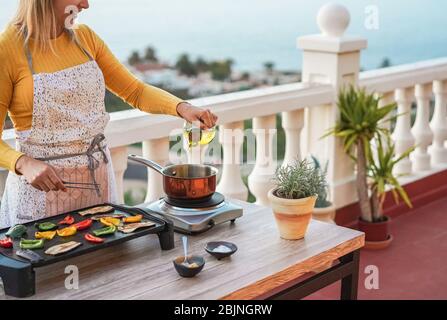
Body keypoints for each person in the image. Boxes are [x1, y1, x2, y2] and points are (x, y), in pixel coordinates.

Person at [0, 0, 218, 228]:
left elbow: (136, 91)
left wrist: (183, 108)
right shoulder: (7, 48)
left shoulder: (84, 38)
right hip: (39, 197)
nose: (85, 4)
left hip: (98, 187)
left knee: (108, 260)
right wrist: (22, 163)